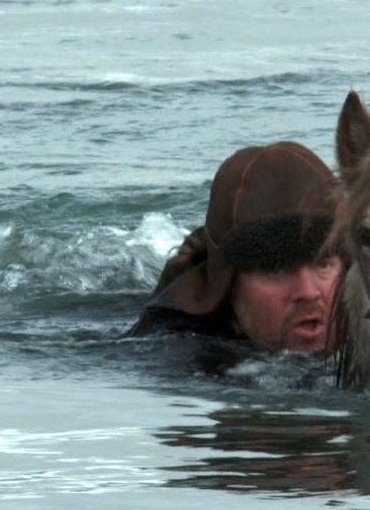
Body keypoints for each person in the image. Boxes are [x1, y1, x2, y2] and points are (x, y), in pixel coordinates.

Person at [129, 141, 343, 352]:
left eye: (323, 264)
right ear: (227, 291)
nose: (308, 292)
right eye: (277, 269)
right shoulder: (178, 357)